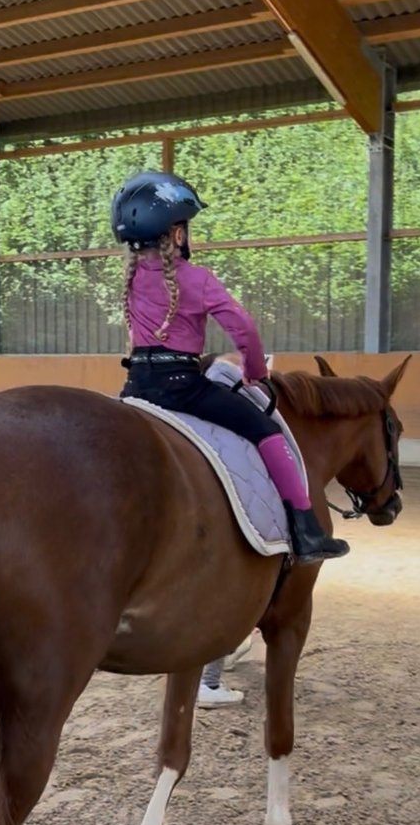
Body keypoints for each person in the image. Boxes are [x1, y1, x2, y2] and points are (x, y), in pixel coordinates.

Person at [112, 170, 349, 566]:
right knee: (266, 431)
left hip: (136, 388)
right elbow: (245, 329)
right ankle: (306, 530)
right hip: (183, 389)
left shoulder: (132, 280)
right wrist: (255, 371)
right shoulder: (197, 279)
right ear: (177, 234)